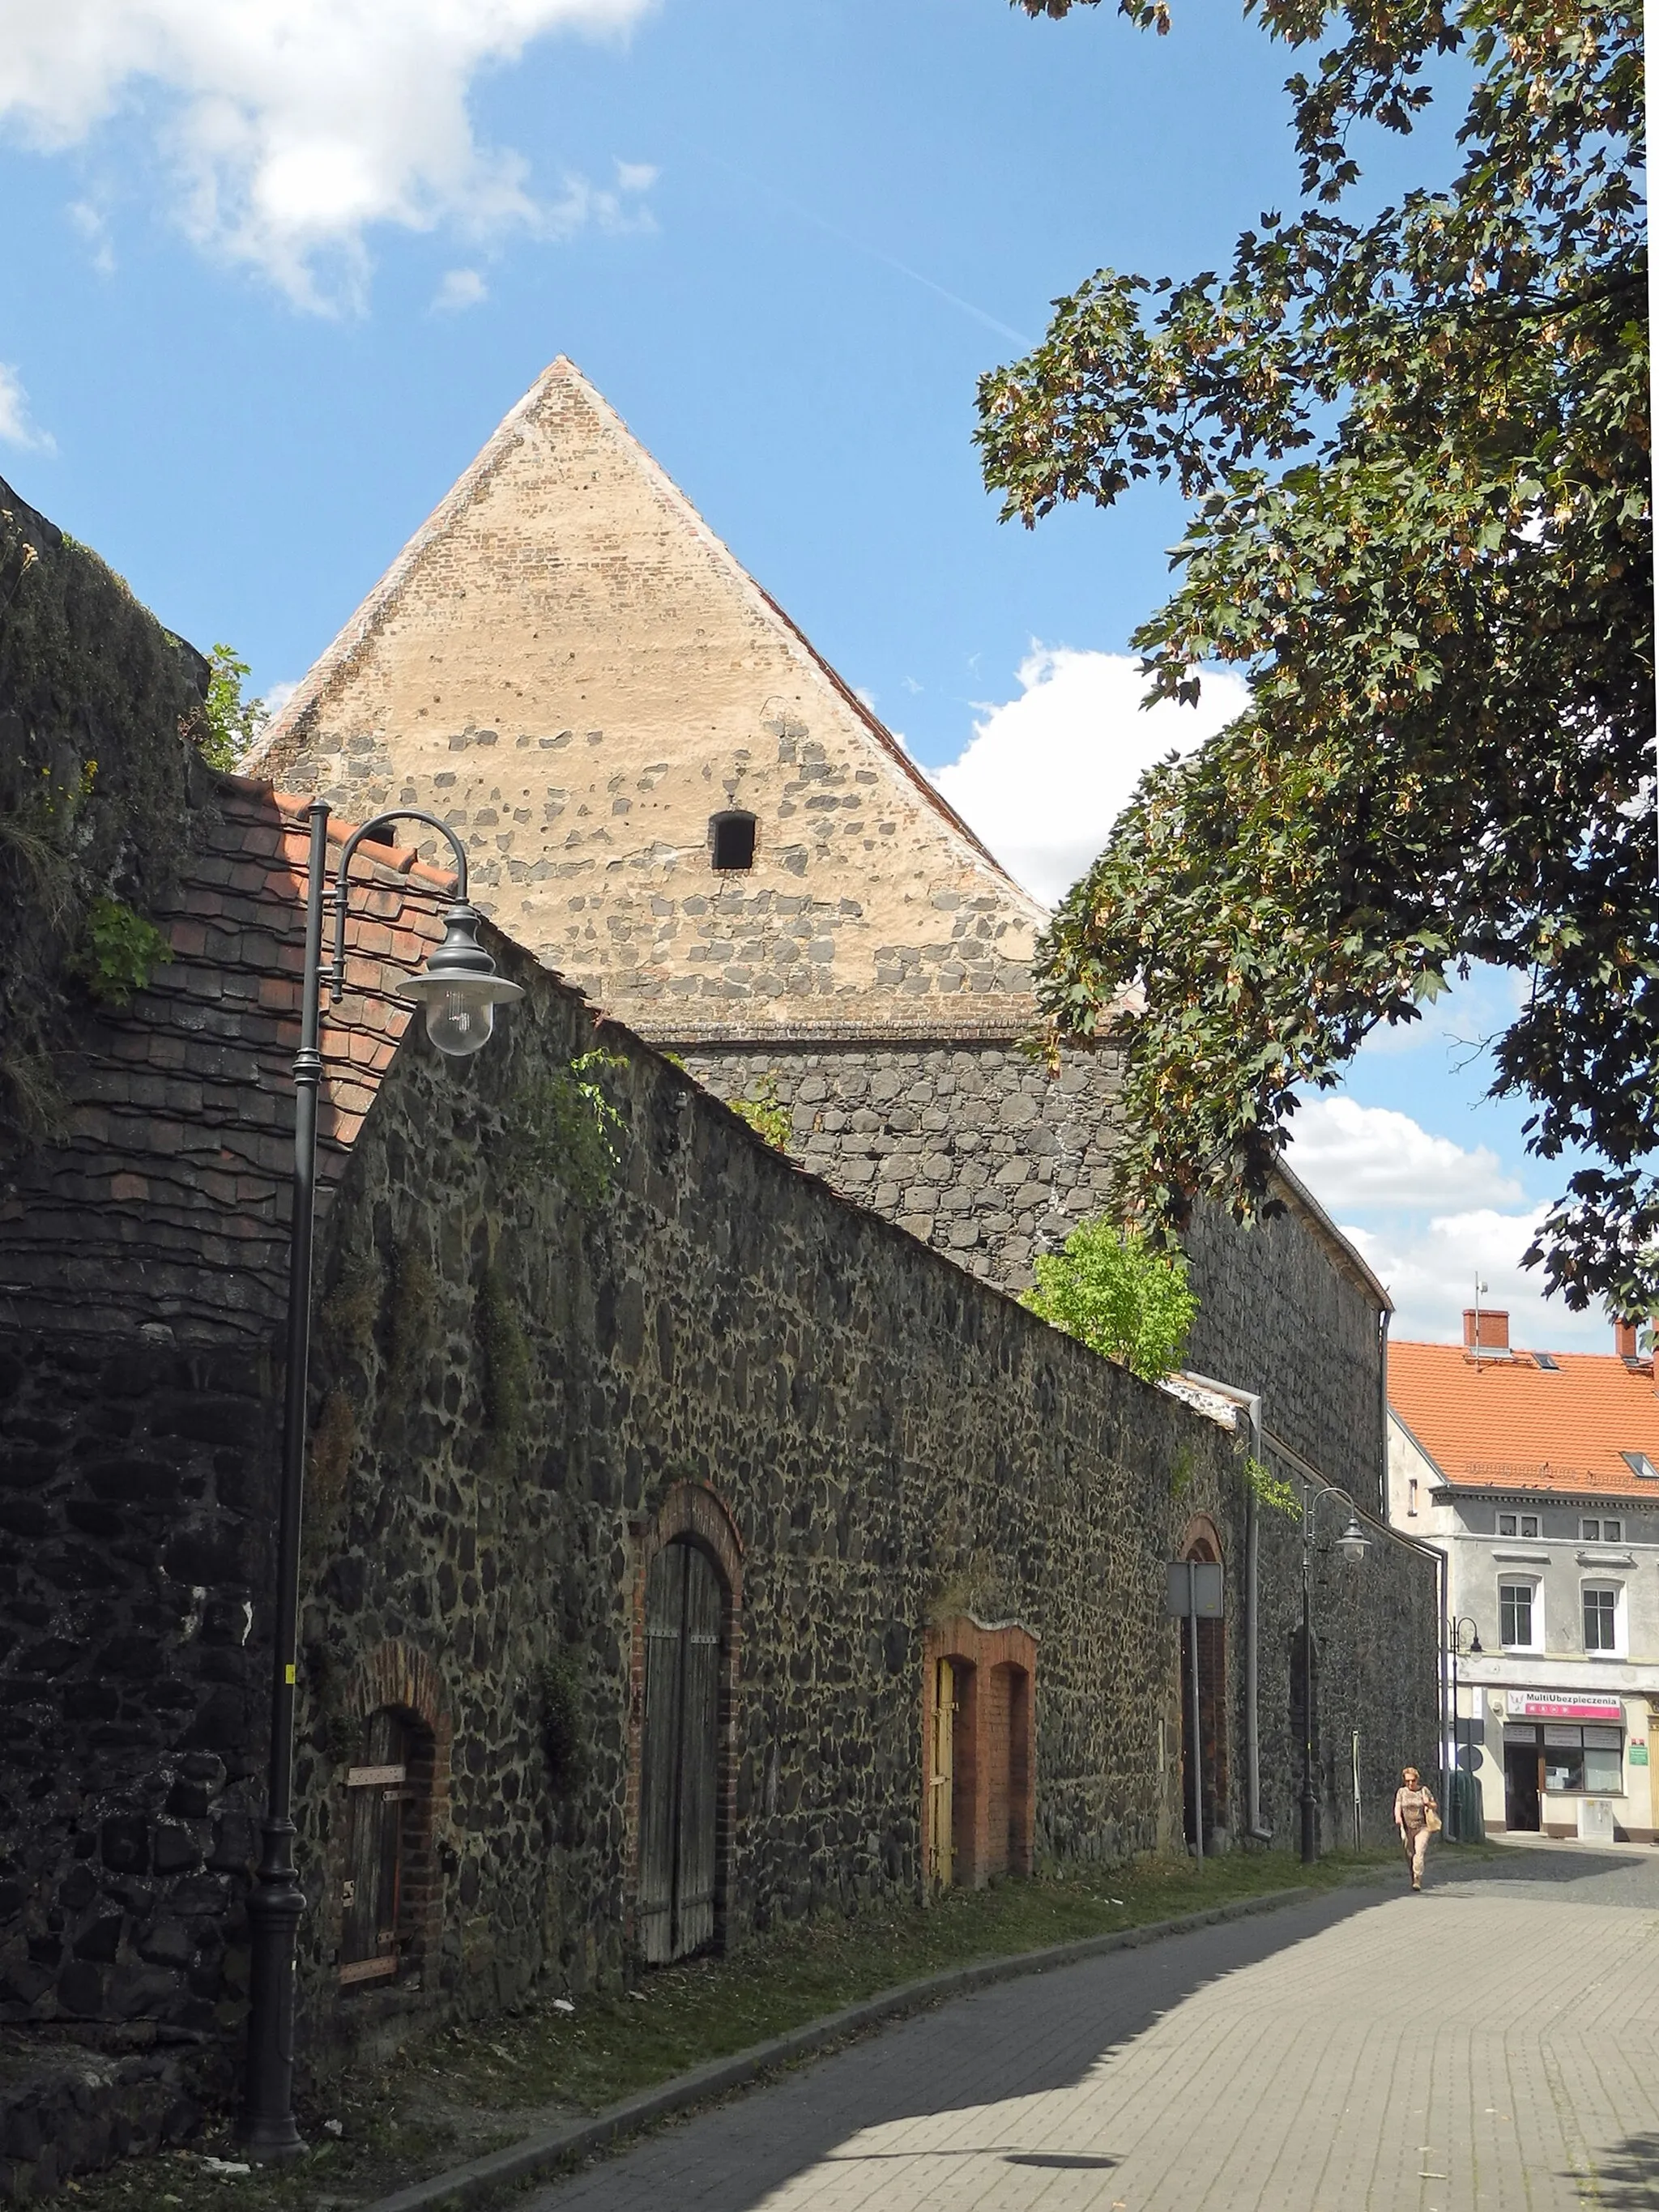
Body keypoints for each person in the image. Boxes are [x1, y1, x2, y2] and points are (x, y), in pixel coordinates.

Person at [1393, 1767, 1438, 1890]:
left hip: (1422, 1827)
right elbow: (1397, 1806)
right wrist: (1397, 1817)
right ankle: (1412, 1875)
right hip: (1407, 1828)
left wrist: (1428, 1803)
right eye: (1407, 1781)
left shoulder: (1424, 1790)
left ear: (1417, 1779)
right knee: (1409, 1854)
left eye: (1413, 1780)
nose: (1410, 1783)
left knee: (1419, 1852)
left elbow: (1435, 1805)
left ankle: (1417, 1879)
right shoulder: (1401, 1792)